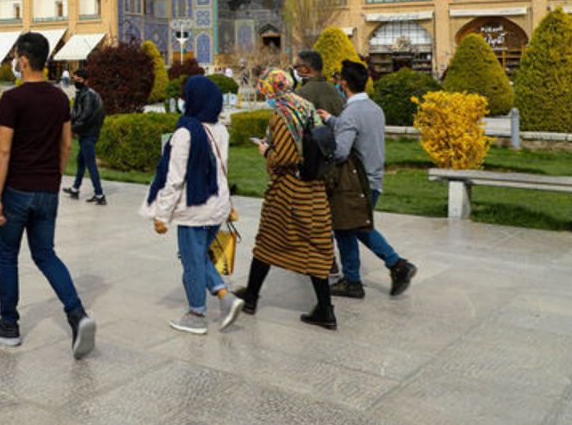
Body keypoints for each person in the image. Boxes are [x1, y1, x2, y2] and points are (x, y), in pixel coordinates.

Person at [0, 32, 96, 359]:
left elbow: (2, 152)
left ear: (25, 60)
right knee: (45, 254)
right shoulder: (60, 99)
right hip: (47, 190)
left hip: (17, 190)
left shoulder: (13, 100)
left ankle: (8, 325)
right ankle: (77, 314)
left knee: (6, 255)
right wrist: (55, 178)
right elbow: (66, 145)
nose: (14, 61)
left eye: (16, 56)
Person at [233, 69, 336, 330]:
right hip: (314, 186)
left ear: (270, 88)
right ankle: (325, 309)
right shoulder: (306, 106)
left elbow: (286, 157)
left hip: (289, 189)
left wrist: (266, 151)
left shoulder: (281, 114)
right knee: (317, 244)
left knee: (268, 240)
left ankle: (252, 298)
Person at [141, 75, 244, 334]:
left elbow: (174, 179)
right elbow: (221, 171)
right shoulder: (221, 130)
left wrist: (161, 215)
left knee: (192, 261)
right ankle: (224, 297)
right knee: (195, 255)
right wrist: (228, 206)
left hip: (194, 209)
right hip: (216, 206)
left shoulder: (185, 132)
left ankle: (197, 313)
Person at [319, 60, 418, 299]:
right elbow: (356, 129)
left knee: (345, 228)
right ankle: (396, 266)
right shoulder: (374, 108)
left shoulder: (351, 112)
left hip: (355, 184)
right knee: (360, 227)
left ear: (344, 83)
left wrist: (321, 146)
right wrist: (332, 120)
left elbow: (341, 151)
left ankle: (355, 280)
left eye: (339, 80)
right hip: (373, 180)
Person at [64, 68, 107, 204]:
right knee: (81, 162)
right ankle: (75, 189)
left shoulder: (87, 95)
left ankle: (99, 195)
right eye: (75, 80)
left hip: (88, 134)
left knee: (90, 164)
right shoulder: (84, 93)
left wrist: (72, 129)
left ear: (86, 81)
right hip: (86, 133)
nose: (76, 82)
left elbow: (85, 115)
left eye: (79, 80)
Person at [293, 50, 345, 116]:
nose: (295, 70)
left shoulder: (301, 94)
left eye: (295, 67)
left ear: (305, 69)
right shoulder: (336, 91)